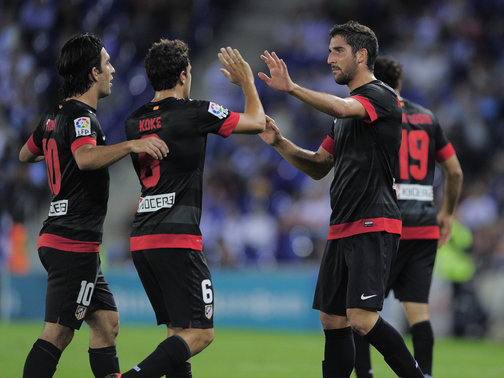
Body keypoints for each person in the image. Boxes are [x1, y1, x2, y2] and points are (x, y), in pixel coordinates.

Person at [258, 21, 424, 377]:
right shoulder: (344, 116)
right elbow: (319, 165)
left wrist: (291, 88)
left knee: (362, 320)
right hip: (342, 226)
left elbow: (341, 108)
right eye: (330, 50)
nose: (329, 58)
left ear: (361, 55)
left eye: (338, 51)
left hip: (372, 220)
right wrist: (280, 143)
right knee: (332, 320)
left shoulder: (380, 96)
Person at [19, 33, 168, 378]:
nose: (113, 69)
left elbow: (26, 153)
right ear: (92, 72)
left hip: (64, 237)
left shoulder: (53, 117)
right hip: (73, 241)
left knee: (107, 325)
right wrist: (132, 145)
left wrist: (56, 146)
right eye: (106, 63)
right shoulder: (83, 117)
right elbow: (85, 159)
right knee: (58, 332)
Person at [120, 39, 265, 377]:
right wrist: (247, 82)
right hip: (176, 237)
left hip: (142, 238)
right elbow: (257, 122)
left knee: (177, 331)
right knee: (201, 332)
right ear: (184, 75)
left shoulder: (133, 121)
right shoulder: (196, 111)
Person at [353, 56, 463, 378]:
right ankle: (424, 375)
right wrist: (447, 213)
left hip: (387, 224)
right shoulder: (428, 118)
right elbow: (454, 171)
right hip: (426, 225)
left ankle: (365, 375)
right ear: (400, 85)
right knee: (419, 312)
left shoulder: (374, 112)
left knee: (358, 311)